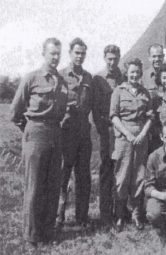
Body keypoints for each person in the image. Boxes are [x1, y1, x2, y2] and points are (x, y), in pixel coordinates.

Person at [10, 38, 68, 247]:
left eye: (58, 54)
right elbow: (15, 112)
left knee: (52, 185)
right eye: (52, 53)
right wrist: (29, 131)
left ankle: (47, 230)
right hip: (35, 133)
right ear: (43, 53)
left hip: (55, 133)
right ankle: (32, 235)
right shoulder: (31, 78)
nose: (55, 57)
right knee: (34, 187)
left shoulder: (61, 82)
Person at [110, 58, 153, 232]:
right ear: (126, 73)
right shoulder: (118, 91)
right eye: (131, 72)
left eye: (137, 72)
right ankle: (120, 214)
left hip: (141, 138)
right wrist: (127, 134)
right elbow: (113, 116)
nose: (134, 75)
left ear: (141, 73)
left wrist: (142, 134)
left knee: (139, 176)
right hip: (123, 138)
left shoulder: (145, 93)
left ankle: (136, 214)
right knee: (122, 177)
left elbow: (150, 116)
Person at [56, 38, 94, 228]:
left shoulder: (88, 78)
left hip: (83, 133)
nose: (80, 56)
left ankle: (82, 216)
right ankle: (58, 217)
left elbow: (93, 104)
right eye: (76, 53)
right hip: (65, 131)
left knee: (83, 176)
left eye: (83, 53)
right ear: (70, 53)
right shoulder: (60, 76)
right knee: (62, 175)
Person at [92, 44, 123, 226]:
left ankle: (121, 212)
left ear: (119, 58)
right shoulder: (98, 79)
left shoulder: (124, 77)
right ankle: (105, 214)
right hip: (106, 131)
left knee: (121, 170)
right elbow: (96, 110)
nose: (112, 62)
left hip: (122, 132)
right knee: (106, 171)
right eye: (109, 59)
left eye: (115, 58)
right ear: (104, 58)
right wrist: (104, 130)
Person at [142, 43, 165, 153]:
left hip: (165, 122)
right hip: (149, 124)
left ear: (163, 57)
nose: (157, 59)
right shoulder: (143, 76)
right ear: (149, 58)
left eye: (159, 56)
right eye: (154, 56)